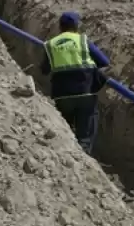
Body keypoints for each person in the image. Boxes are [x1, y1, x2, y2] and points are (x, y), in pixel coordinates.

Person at [40, 11, 110, 155]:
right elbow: (104, 61)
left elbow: (44, 70)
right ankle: (83, 160)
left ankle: (65, 157)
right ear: (76, 26)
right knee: (85, 134)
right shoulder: (82, 40)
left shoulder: (50, 44)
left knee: (64, 130)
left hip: (61, 95)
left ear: (60, 27)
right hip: (85, 92)